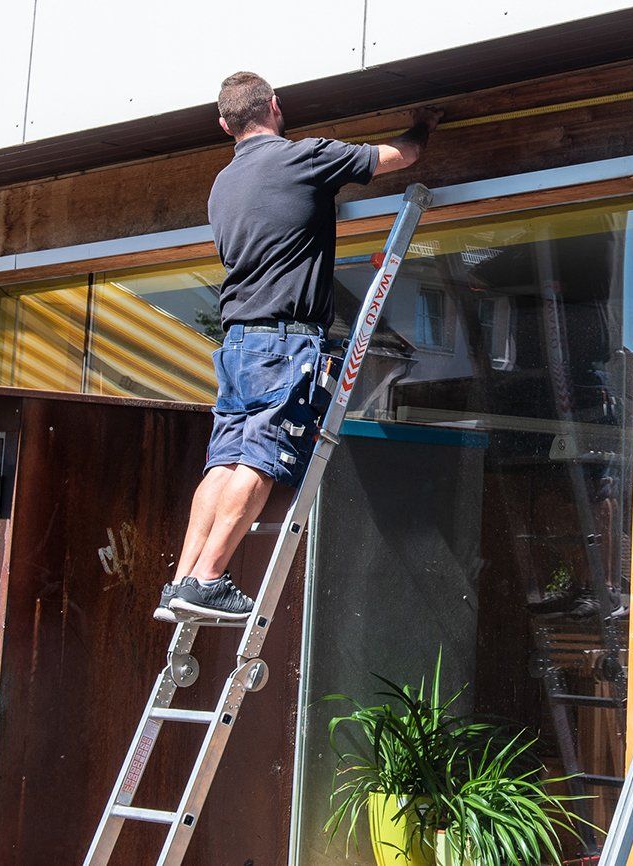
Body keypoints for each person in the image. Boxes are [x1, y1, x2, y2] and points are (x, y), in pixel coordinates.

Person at [154, 72, 442, 622]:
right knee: (263, 458)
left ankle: (182, 580)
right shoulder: (303, 158)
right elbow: (399, 157)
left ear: (224, 125)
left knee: (223, 461)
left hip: (236, 342)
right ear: (275, 107)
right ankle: (209, 578)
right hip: (283, 343)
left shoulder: (222, 185)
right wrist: (423, 124)